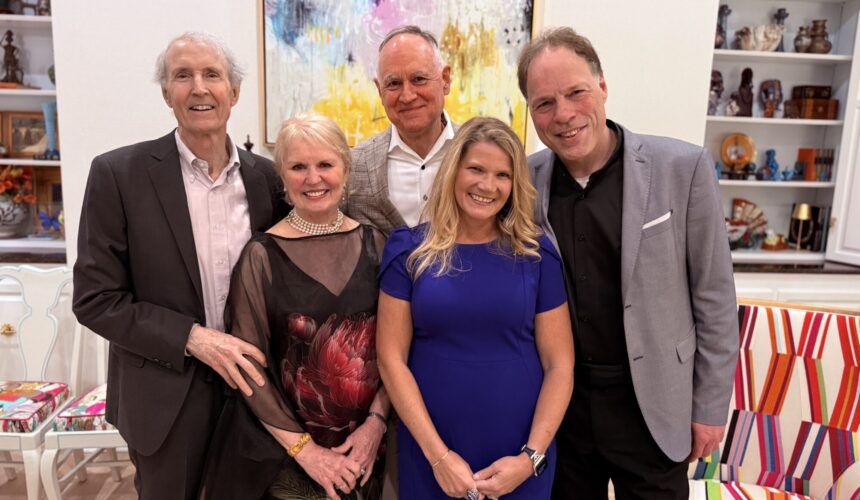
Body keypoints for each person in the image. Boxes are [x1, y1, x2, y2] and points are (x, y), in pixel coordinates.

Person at [517, 27, 739, 499]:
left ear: (602, 86)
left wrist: (710, 406)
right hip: (563, 411)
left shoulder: (683, 168)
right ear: (531, 112)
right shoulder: (523, 180)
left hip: (654, 407)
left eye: (576, 92)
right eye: (545, 103)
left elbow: (715, 297)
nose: (564, 114)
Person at [72, 32, 288, 499]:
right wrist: (194, 338)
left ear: (234, 91)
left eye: (212, 74)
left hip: (256, 394)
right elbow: (95, 300)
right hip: (164, 399)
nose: (199, 88)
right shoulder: (117, 175)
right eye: (183, 76)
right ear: (167, 93)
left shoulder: (267, 179)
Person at [377, 117, 574, 500]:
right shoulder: (409, 250)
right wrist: (438, 458)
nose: (488, 185)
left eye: (503, 175)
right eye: (476, 169)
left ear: (515, 184)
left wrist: (531, 458)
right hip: (431, 454)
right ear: (454, 171)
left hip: (521, 455)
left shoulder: (536, 253)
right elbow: (390, 359)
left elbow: (560, 365)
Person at [201, 113, 390, 500]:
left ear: (345, 169)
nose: (313, 178)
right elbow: (249, 370)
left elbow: (396, 350)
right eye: (298, 167)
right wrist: (306, 453)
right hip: (289, 458)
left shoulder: (376, 244)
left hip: (370, 452)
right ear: (282, 177)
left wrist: (376, 423)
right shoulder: (261, 257)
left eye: (325, 164)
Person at [346, 25, 456, 235]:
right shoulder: (353, 166)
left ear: (445, 80)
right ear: (380, 90)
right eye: (394, 83)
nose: (407, 96)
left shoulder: (480, 155)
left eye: (419, 79)